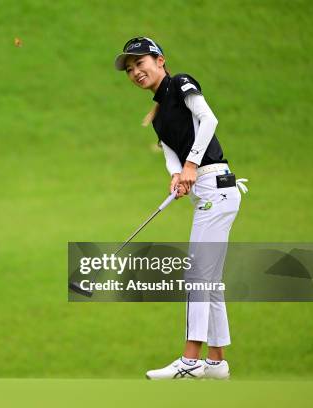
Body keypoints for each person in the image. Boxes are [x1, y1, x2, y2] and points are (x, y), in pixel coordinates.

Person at [114, 37, 248, 380]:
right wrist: (177, 175)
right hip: (207, 192)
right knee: (210, 281)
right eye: (129, 69)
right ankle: (216, 363)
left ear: (160, 60)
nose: (135, 72)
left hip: (215, 187)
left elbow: (209, 120)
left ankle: (190, 362)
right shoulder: (157, 116)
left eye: (139, 63)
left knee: (197, 277)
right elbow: (172, 158)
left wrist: (190, 165)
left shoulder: (181, 83)